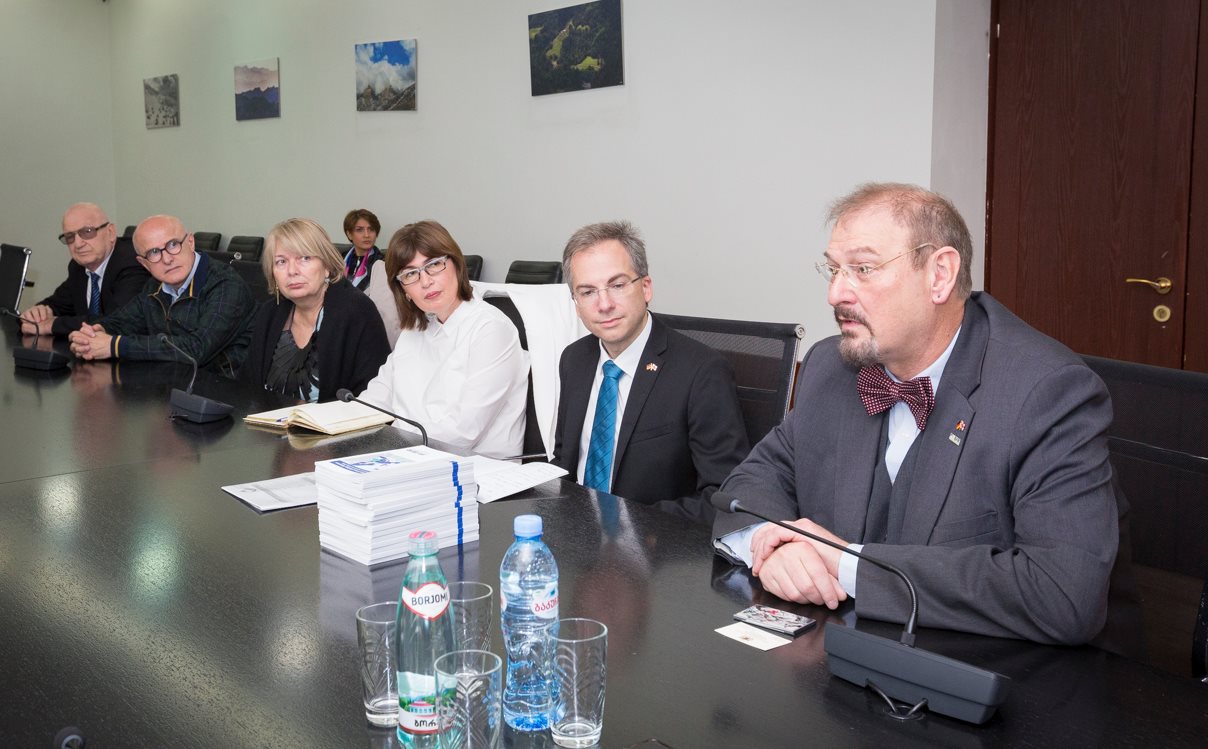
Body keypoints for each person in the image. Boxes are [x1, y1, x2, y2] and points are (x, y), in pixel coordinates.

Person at [713, 183, 1134, 649]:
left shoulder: (1047, 392)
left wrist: (844, 563)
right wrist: (771, 542)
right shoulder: (831, 366)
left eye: (863, 269)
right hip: (843, 657)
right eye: (833, 270)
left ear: (940, 275)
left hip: (1001, 673)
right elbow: (749, 483)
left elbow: (1063, 593)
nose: (835, 293)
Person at [551, 221, 749, 515]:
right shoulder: (574, 359)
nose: (604, 304)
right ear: (576, 303)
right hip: (571, 526)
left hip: (653, 538)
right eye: (588, 292)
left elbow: (724, 494)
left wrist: (637, 525)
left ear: (645, 288)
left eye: (617, 285)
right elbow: (565, 460)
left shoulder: (702, 372)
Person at [357, 220, 527, 459]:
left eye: (434, 265)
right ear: (403, 289)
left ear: (456, 265)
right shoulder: (414, 331)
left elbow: (462, 432)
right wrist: (332, 422)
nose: (426, 281)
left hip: (475, 469)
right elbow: (375, 399)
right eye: (410, 274)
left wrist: (390, 441)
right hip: (409, 457)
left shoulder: (490, 329)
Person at [68, 214, 254, 376]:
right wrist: (91, 334)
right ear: (144, 264)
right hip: (172, 383)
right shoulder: (155, 285)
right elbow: (122, 321)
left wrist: (115, 345)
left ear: (190, 242)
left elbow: (197, 349)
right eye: (154, 252)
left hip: (225, 391)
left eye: (173, 245)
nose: (167, 259)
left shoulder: (226, 284)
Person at [240, 218, 391, 402]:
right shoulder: (269, 313)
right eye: (281, 261)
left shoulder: (357, 311)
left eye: (305, 258)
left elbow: (373, 397)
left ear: (326, 266)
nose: (292, 271)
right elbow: (247, 388)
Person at [20, 203, 150, 336]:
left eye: (87, 232)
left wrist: (52, 326)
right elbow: (58, 304)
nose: (78, 244)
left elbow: (116, 321)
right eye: (70, 237)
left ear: (110, 233)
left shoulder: (133, 262)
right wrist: (37, 312)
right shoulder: (78, 266)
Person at [342, 209, 383, 289]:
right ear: (349, 234)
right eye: (359, 230)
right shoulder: (340, 259)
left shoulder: (382, 263)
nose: (366, 235)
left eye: (371, 229)